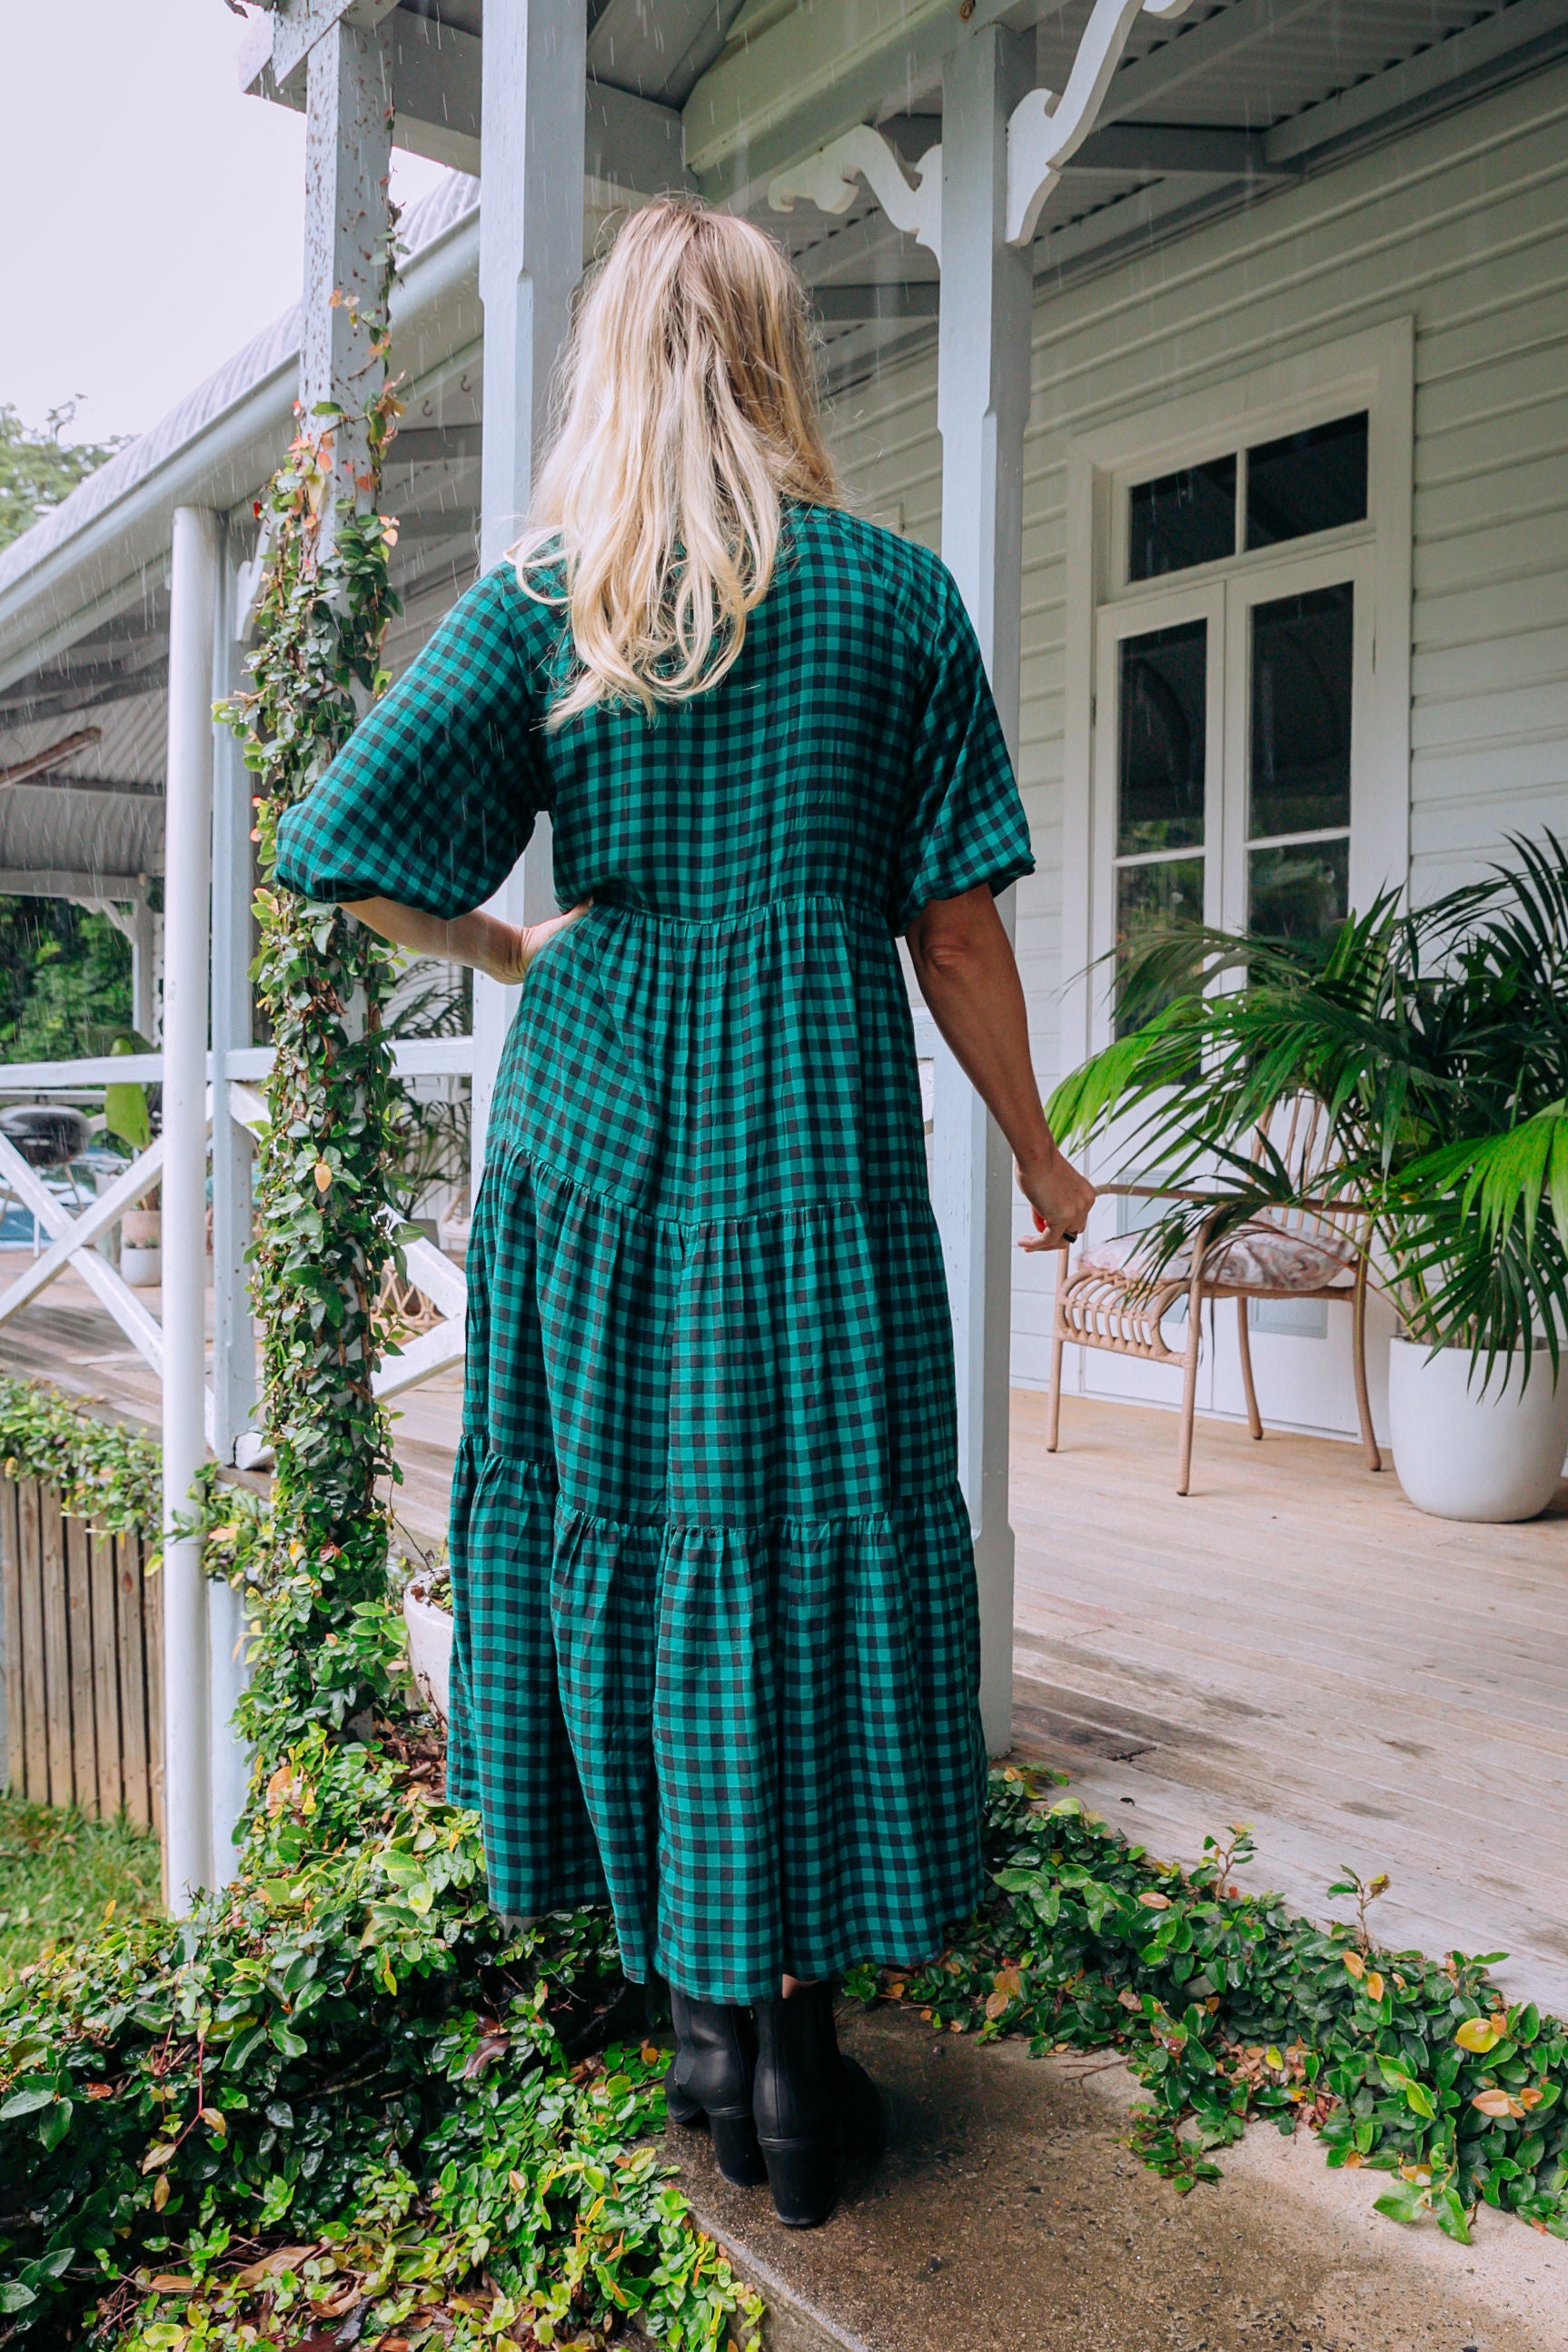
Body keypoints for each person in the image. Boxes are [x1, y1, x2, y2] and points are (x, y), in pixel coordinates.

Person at [274, 194, 1094, 2228]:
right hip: (806, 1131)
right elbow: (958, 928)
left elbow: (341, 842)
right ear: (769, 354)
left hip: (598, 1130)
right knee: (803, 1537)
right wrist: (1038, 1147)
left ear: (613, 365)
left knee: (638, 1541)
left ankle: (705, 2030)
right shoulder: (891, 600)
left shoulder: (557, 598)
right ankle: (792, 2066)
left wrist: (508, 946)